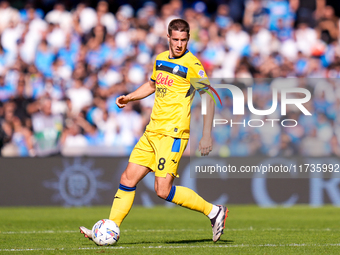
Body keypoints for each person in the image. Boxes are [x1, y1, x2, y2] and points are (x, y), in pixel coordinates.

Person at [79, 19, 228, 243]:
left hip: (173, 135)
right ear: (168, 38)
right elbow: (152, 85)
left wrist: (206, 134)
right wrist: (129, 97)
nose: (179, 44)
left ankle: (214, 212)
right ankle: (110, 228)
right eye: (175, 39)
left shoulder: (193, 65)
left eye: (183, 40)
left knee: (162, 189)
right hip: (152, 132)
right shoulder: (159, 59)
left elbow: (209, 99)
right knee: (127, 179)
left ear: (188, 40)